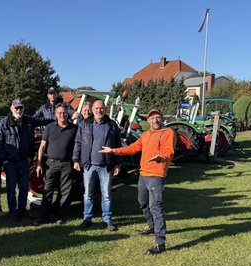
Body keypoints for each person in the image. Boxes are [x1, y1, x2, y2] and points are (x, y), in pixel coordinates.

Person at [100, 109, 176, 255]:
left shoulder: (167, 133)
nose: (155, 120)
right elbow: (133, 148)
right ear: (148, 121)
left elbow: (169, 151)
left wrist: (161, 157)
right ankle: (151, 226)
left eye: (158, 117)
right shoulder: (146, 135)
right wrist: (113, 151)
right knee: (142, 202)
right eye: (152, 118)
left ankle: (160, 243)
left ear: (162, 119)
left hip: (156, 176)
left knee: (156, 207)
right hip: (143, 174)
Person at [72, 100, 122, 231]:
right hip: (89, 165)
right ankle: (87, 219)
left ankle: (107, 220)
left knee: (106, 194)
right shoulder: (84, 124)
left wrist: (117, 163)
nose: (99, 110)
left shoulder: (112, 125)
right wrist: (76, 160)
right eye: (96, 108)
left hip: (106, 165)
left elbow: (118, 145)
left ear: (105, 109)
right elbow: (78, 142)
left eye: (101, 108)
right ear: (93, 109)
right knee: (88, 193)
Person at [33, 103, 78, 226]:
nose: (62, 115)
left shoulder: (74, 129)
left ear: (67, 114)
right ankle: (43, 216)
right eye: (59, 113)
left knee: (65, 192)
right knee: (47, 190)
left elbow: (77, 147)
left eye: (64, 113)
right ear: (55, 114)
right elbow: (42, 146)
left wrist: (76, 161)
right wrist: (38, 163)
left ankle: (58, 214)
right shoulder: (49, 128)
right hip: (51, 164)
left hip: (67, 164)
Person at [0, 98, 36, 221]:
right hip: (10, 162)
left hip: (23, 161)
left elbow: (31, 141)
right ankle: (13, 212)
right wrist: (4, 160)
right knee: (11, 189)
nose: (18, 110)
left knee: (24, 188)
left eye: (20, 108)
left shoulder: (28, 122)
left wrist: (30, 157)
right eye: (16, 108)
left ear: (23, 109)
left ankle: (22, 210)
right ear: (11, 108)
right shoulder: (3, 123)